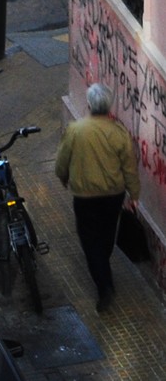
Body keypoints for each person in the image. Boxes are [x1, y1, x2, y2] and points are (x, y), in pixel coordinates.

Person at [55, 82, 140, 312]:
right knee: (106, 236)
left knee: (89, 240)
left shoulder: (75, 130)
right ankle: (103, 267)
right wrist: (134, 195)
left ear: (90, 104)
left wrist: (63, 177)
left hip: (86, 196)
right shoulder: (119, 132)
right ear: (109, 107)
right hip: (114, 195)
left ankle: (104, 286)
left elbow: (62, 160)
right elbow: (129, 167)